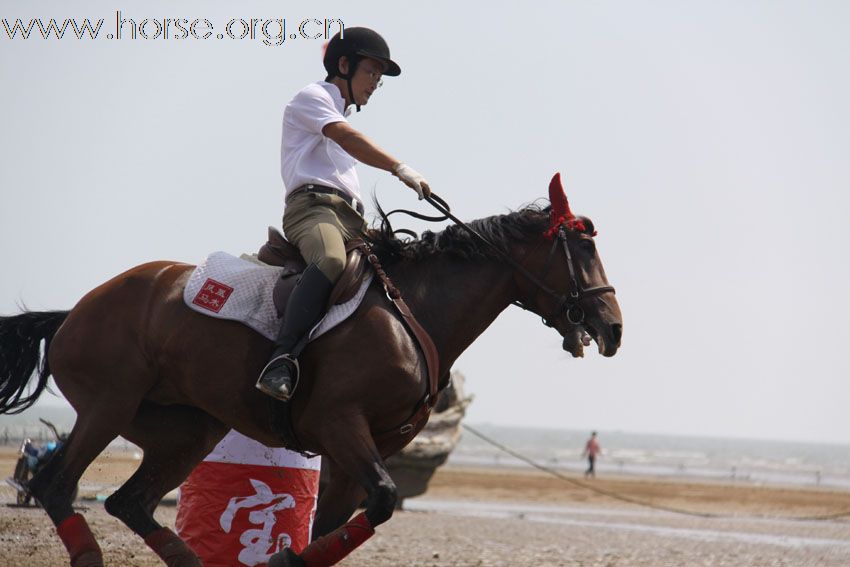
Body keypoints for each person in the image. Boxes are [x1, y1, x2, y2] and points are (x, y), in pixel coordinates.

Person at [256, 27, 431, 401]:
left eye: (379, 80)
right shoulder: (312, 97)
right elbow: (348, 138)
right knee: (332, 260)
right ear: (344, 64)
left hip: (351, 219)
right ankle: (281, 359)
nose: (374, 84)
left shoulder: (340, 116)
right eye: (372, 73)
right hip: (312, 210)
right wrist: (399, 168)